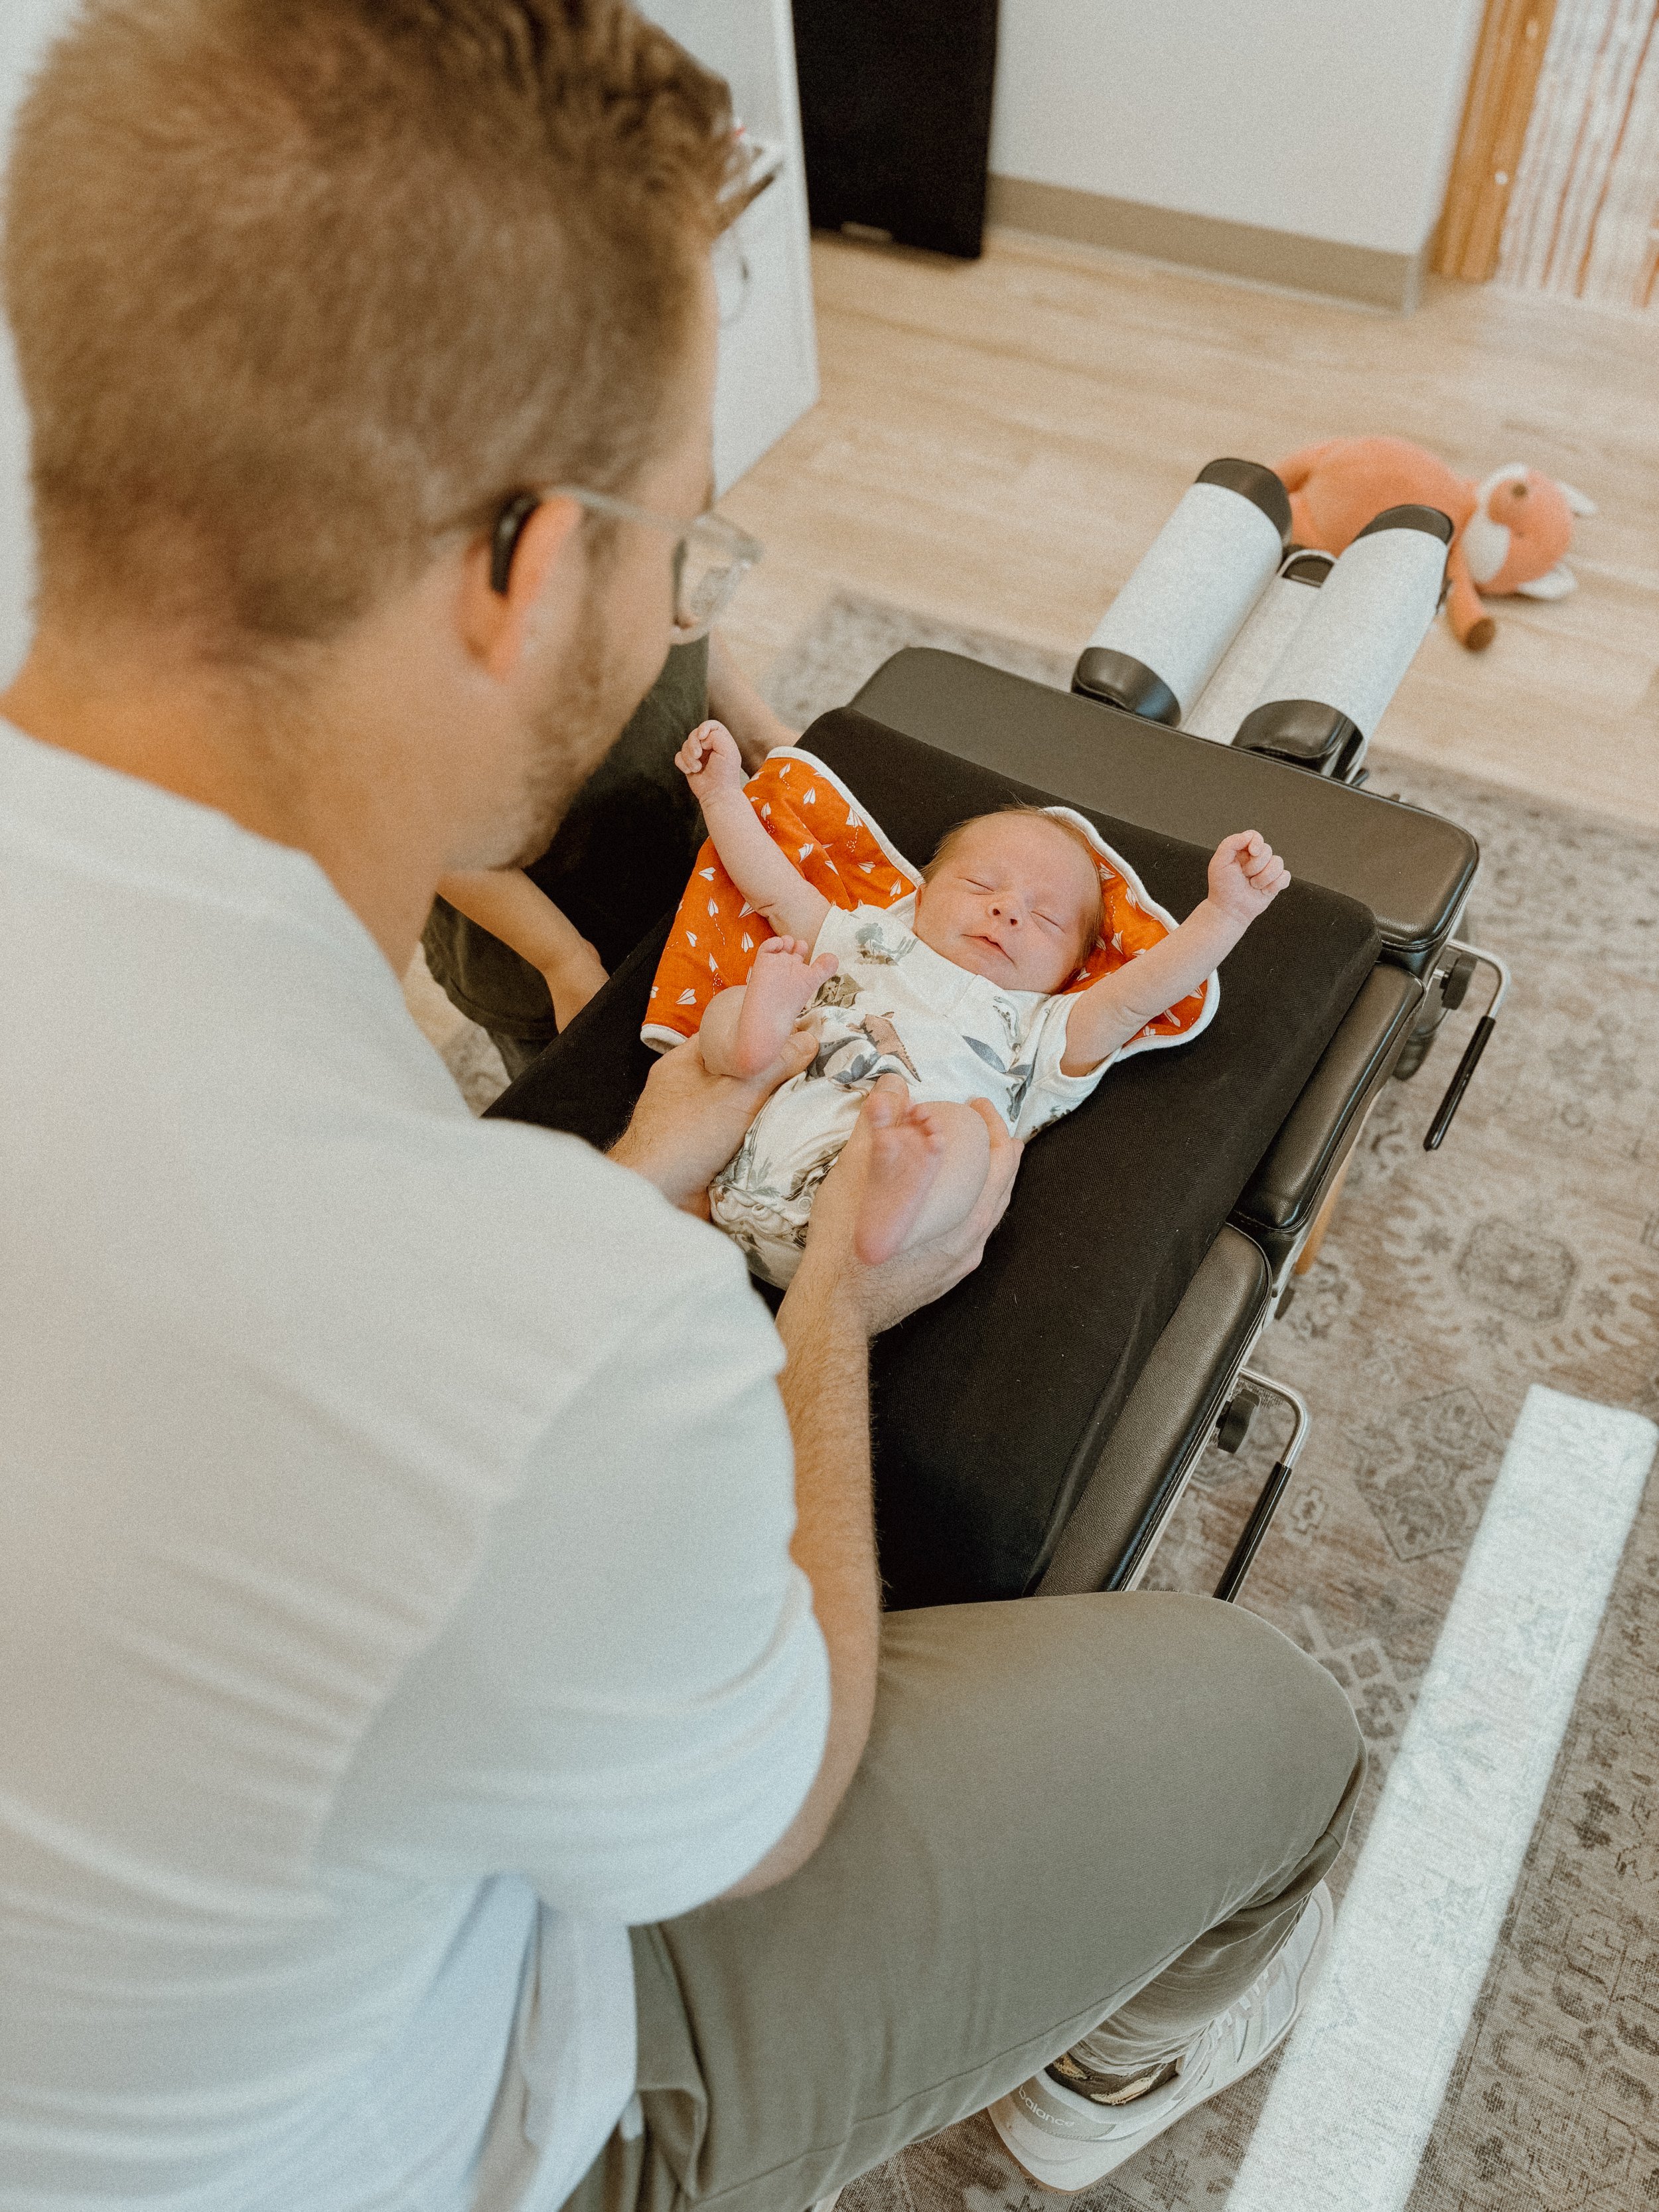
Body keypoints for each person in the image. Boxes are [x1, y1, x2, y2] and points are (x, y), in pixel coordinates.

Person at [0, 8, 1363, 2212]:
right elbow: (766, 1789)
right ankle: (1094, 2091)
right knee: (1284, 1734)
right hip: (415, 2133)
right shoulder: (512, 1327)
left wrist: (657, 1153)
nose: (677, 606)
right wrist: (836, 1278)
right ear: (529, 565)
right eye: (690, 549)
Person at [676, 717, 1289, 1283]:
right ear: (921, 898)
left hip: (865, 1228)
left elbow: (1136, 998)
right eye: (980, 884)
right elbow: (776, 891)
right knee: (731, 1005)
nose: (1008, 910)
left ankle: (895, 1201)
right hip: (736, 1171)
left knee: (966, 1136)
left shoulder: (1043, 1027)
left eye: (1047, 919)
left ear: (1072, 974)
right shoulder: (870, 936)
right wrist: (722, 793)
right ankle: (753, 1045)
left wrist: (1226, 912)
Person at [424, 632, 796, 1075]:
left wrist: (762, 738)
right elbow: (419, 817)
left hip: (687, 877)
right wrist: (565, 960)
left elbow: (688, 624)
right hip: (541, 949)